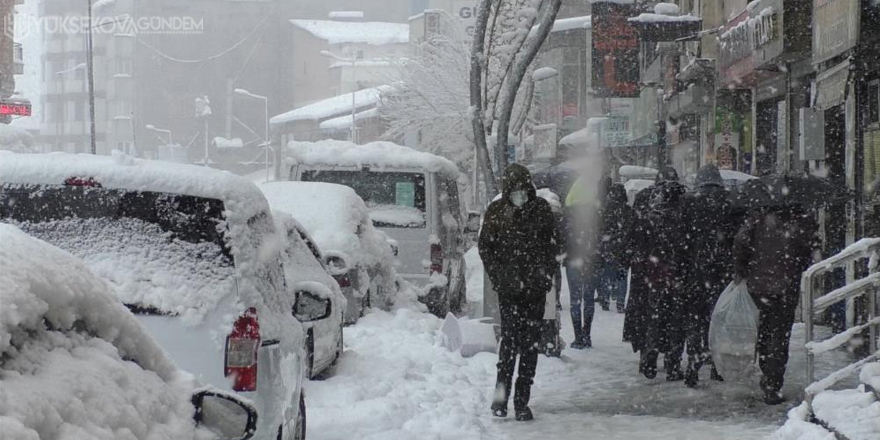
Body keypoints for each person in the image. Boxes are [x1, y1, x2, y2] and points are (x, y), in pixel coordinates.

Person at [479, 164, 560, 421]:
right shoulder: (497, 211)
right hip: (510, 291)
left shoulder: (541, 210)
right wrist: (500, 278)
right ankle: (500, 399)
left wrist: (545, 275)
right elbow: (486, 248)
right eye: (514, 190)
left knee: (529, 347)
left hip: (535, 289)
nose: (519, 194)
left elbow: (553, 246)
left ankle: (522, 401)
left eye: (523, 189)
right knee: (510, 344)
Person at [733, 202, 820, 404]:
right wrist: (797, 265)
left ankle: (767, 374)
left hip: (759, 286)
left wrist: (742, 268)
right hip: (785, 287)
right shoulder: (802, 219)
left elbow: (740, 242)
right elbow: (812, 251)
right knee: (780, 335)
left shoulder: (758, 217)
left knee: (764, 331)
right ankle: (773, 383)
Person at [680, 164, 735, 387]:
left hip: (696, 271)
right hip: (723, 273)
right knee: (719, 319)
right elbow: (735, 237)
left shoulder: (689, 202)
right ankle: (717, 365)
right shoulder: (730, 202)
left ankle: (693, 365)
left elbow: (682, 239)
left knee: (695, 319)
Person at [643, 167, 689, 381]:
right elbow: (687, 244)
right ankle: (672, 365)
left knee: (655, 317)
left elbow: (642, 243)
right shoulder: (685, 212)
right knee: (676, 320)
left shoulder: (652, 215)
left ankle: (650, 359)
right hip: (678, 273)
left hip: (656, 273)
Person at [561, 176, 605, 349]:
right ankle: (587, 334)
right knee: (588, 298)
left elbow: (562, 238)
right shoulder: (596, 214)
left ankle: (578, 337)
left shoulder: (568, 215)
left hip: (573, 260)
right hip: (592, 260)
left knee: (575, 300)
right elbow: (602, 238)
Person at [597, 183, 634, 314]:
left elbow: (601, 230)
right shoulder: (628, 210)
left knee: (607, 274)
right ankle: (620, 303)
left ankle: (605, 300)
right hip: (624, 247)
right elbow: (631, 229)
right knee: (622, 277)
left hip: (609, 246)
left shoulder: (606, 210)